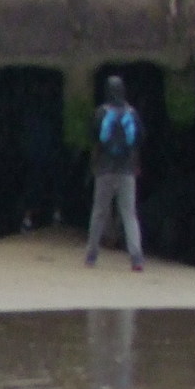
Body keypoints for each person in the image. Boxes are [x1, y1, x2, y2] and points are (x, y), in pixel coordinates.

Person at [84, 75, 144, 272]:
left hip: (104, 170)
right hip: (127, 171)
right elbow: (137, 143)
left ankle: (92, 255)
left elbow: (95, 142)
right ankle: (136, 258)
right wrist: (136, 166)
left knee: (99, 212)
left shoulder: (101, 112)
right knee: (129, 214)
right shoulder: (132, 113)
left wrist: (93, 166)